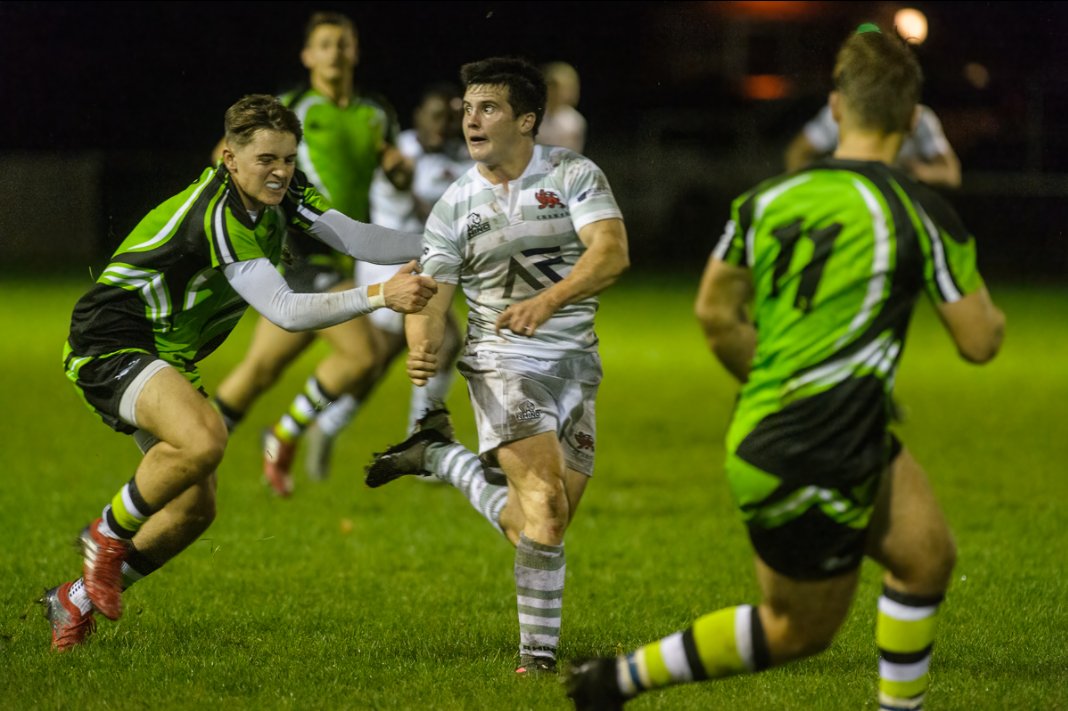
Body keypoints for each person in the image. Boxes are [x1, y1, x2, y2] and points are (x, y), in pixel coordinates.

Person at [565, 24, 1004, 710]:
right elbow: (980, 341)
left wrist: (781, 375)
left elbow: (714, 312)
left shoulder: (766, 199)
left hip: (795, 429)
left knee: (926, 555)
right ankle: (615, 681)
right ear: (913, 117)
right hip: (814, 444)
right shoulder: (918, 211)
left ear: (834, 108)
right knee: (796, 629)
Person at [39, 94, 436, 652]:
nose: (280, 172)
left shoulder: (280, 194)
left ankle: (74, 599)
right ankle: (104, 536)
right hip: (112, 338)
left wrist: (442, 242)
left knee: (194, 510)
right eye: (266, 160)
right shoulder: (219, 212)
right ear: (228, 156)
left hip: (166, 352)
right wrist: (382, 294)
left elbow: (351, 236)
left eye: (289, 159)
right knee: (205, 437)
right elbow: (287, 310)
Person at [363, 57, 629, 674]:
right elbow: (429, 290)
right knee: (546, 506)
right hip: (500, 361)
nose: (471, 120)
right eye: (467, 109)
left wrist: (549, 300)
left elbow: (612, 254)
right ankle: (536, 662)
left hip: (576, 363)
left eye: (488, 108)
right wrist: (423, 339)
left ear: (528, 120)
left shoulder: (572, 175)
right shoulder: (455, 205)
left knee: (535, 525)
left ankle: (440, 457)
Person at [210, 11, 413, 497]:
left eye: (343, 44)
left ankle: (187, 451)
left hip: (343, 254)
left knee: (259, 372)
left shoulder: (377, 112)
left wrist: (396, 170)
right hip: (301, 251)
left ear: (355, 51)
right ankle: (281, 436)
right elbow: (225, 156)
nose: (335, 53)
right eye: (324, 44)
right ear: (307, 56)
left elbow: (392, 176)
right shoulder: (290, 108)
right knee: (363, 356)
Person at [301, 83, 474, 480]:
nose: (443, 125)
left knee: (387, 359)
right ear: (418, 118)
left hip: (427, 269)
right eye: (436, 116)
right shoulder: (402, 152)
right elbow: (398, 182)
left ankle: (329, 427)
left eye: (451, 118)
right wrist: (396, 173)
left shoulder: (462, 160)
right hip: (388, 267)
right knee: (431, 345)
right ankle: (422, 443)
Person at [785, 97, 961, 188]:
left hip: (902, 205)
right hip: (847, 200)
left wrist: (914, 173)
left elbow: (952, 175)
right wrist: (822, 185)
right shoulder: (839, 112)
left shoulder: (919, 117)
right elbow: (796, 154)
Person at [537, 61, 587, 153]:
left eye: (560, 88)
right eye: (552, 87)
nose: (556, 93)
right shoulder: (534, 116)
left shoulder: (573, 122)